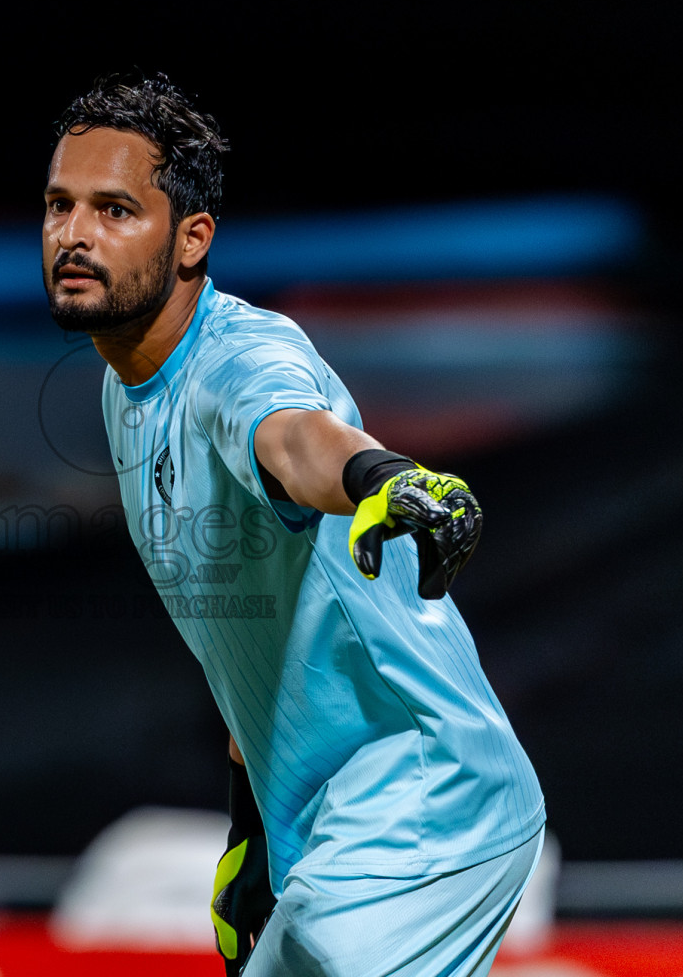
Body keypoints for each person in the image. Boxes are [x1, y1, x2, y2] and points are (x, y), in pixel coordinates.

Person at [42, 73, 546, 977]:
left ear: (192, 238)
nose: (74, 234)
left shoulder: (239, 358)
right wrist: (252, 826)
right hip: (329, 825)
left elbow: (295, 438)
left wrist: (382, 477)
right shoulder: (126, 388)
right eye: (59, 205)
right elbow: (244, 623)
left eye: (115, 210)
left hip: (425, 798)